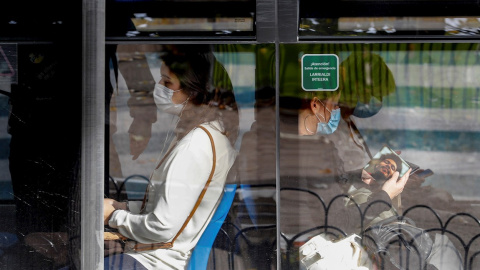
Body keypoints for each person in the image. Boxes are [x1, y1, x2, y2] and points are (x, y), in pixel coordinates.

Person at [103, 44, 239, 270]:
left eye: (167, 82)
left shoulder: (195, 146)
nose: (159, 87)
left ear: (194, 91)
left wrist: (113, 217)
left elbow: (163, 227)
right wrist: (120, 206)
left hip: (152, 262)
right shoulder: (211, 136)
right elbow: (175, 208)